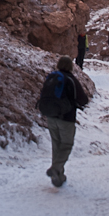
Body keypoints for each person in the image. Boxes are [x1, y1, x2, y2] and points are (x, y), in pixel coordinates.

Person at [38, 56, 89, 187]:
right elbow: (83, 99)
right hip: (66, 118)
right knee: (66, 145)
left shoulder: (52, 77)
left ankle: (59, 176)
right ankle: (56, 168)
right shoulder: (71, 79)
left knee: (56, 146)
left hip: (51, 116)